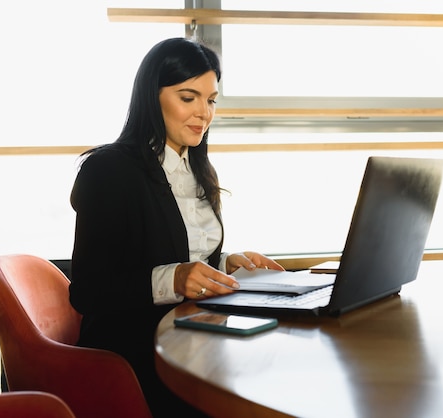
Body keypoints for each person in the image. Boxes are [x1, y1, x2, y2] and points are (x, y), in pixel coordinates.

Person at [68, 37, 284, 416]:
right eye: (189, 98)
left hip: (195, 335)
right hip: (136, 352)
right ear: (152, 97)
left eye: (211, 100)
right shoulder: (109, 171)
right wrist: (175, 279)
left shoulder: (198, 168)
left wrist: (223, 266)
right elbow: (88, 291)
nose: (204, 113)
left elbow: (179, 253)